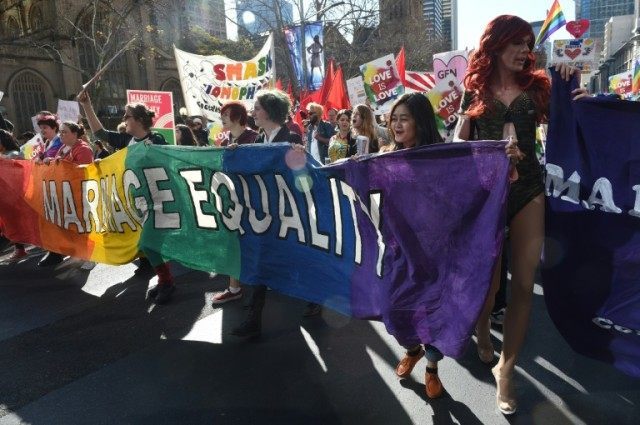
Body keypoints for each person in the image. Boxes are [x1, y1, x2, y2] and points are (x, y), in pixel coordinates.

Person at [454, 15, 587, 415]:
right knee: (489, 284)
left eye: (529, 45)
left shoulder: (540, 87)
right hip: (487, 194)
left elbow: (570, 123)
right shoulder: (473, 88)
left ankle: (506, 369)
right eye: (518, 43)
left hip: (529, 189)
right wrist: (484, 146)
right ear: (496, 45)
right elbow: (458, 143)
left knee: (525, 285)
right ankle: (481, 331)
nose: (525, 52)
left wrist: (575, 91)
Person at [376, 93, 448, 399]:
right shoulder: (386, 157)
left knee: (433, 313)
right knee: (392, 309)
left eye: (404, 118)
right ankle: (412, 350)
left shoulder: (443, 157)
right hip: (398, 250)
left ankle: (432, 368)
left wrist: (503, 156)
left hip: (435, 251)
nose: (396, 124)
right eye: (393, 118)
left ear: (421, 121)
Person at [77, 89, 177, 305]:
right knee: (148, 244)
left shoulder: (157, 140)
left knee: (150, 243)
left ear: (140, 120)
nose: (124, 120)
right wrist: (87, 106)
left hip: (158, 202)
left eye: (127, 116)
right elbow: (100, 133)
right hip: (136, 202)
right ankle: (163, 280)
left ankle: (167, 281)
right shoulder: (126, 139)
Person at [230, 89, 301, 339]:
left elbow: (303, 176)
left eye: (257, 108)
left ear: (270, 111)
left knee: (296, 259)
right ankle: (253, 317)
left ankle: (316, 296)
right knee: (259, 261)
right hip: (265, 214)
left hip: (288, 214)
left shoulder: (290, 137)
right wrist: (235, 154)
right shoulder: (259, 138)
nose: (253, 112)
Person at [212, 102, 259, 305]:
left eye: (226, 114)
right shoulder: (227, 140)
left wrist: (239, 154)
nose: (222, 118)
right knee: (233, 242)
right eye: (222, 114)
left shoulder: (253, 138)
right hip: (234, 200)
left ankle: (263, 285)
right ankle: (234, 288)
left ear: (239, 117)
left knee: (253, 243)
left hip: (253, 201)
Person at [0, 130, 27, 262]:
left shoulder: (14, 154)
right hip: (4, 198)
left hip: (14, 197)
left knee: (15, 225)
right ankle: (19, 249)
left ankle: (20, 249)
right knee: (9, 225)